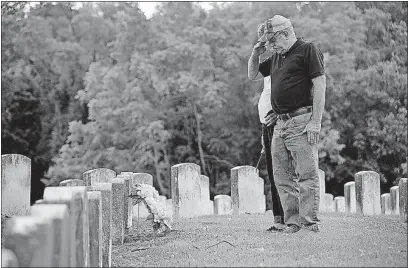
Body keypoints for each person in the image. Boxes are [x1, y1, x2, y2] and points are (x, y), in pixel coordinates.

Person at [248, 15, 326, 233]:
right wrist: (256, 52)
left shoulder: (308, 50)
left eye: (273, 41)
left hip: (301, 121)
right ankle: (292, 223)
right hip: (280, 124)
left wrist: (315, 122)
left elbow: (320, 85)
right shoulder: (275, 57)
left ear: (285, 34)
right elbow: (252, 74)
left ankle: (310, 224)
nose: (271, 46)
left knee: (306, 175)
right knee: (282, 177)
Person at [258, 75, 286, 232]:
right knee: (272, 174)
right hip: (266, 125)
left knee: (282, 173)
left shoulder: (284, 64)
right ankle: (278, 219)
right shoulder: (270, 67)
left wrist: (279, 112)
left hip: (280, 121)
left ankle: (289, 219)